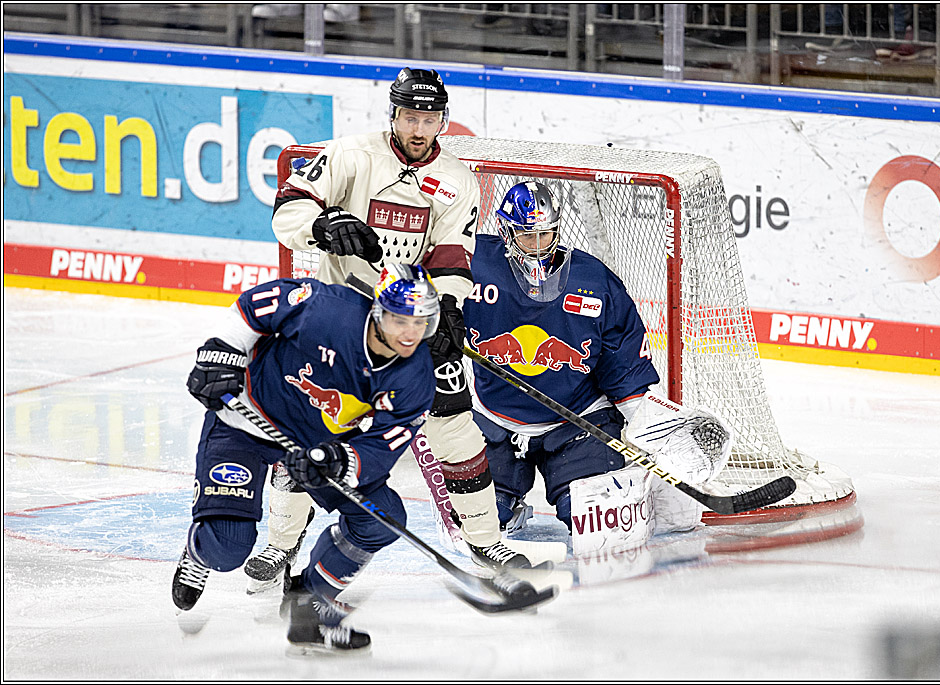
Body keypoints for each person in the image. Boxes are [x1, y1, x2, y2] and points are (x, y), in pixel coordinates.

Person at [257, 66, 527, 590]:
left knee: (453, 428)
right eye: (410, 115)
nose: (420, 127)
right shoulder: (350, 156)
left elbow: (452, 253)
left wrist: (446, 310)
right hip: (341, 317)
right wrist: (322, 226)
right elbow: (287, 211)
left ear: (443, 120)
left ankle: (485, 540)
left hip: (408, 320)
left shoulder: (456, 180)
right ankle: (280, 542)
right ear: (393, 115)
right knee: (302, 427)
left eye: (430, 116)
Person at [172, 264, 441, 651]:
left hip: (316, 445)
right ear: (379, 312)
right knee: (227, 547)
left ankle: (310, 604)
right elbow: (253, 309)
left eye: (421, 322)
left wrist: (338, 460)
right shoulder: (325, 309)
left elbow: (385, 444)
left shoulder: (414, 376)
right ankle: (198, 554)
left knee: (382, 520)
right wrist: (222, 352)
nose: (411, 333)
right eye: (400, 320)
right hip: (247, 420)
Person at [462, 180, 663, 533]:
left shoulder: (592, 278)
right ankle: (509, 500)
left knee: (590, 520)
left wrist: (638, 414)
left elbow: (622, 348)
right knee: (486, 519)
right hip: (497, 418)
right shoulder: (473, 263)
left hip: (577, 419)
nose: (539, 247)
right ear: (507, 232)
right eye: (528, 236)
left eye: (546, 234)